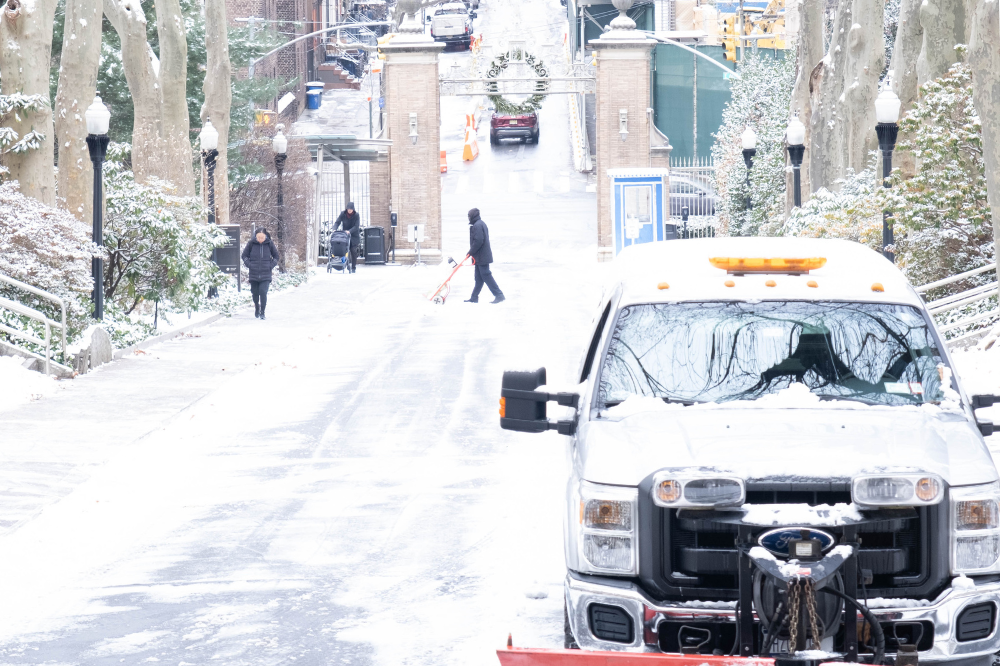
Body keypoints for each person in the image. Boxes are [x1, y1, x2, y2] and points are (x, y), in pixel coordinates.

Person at [464, 208, 505, 304]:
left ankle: (499, 295)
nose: (468, 218)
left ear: (472, 216)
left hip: (482, 256)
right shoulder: (480, 223)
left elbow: (478, 241)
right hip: (480, 256)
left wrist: (470, 252)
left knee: (486, 276)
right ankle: (474, 297)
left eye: (469, 216)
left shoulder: (477, 225)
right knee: (479, 278)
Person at [241, 228, 280, 320]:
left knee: (263, 292)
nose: (260, 239)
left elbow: (276, 256)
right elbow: (244, 256)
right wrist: (249, 265)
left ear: (265, 236)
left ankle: (262, 312)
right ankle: (256, 307)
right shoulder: (251, 244)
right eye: (258, 237)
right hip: (253, 273)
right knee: (255, 293)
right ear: (256, 236)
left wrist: (270, 266)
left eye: (262, 237)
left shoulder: (269, 244)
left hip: (266, 273)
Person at [334, 202, 361, 273]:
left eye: (351, 209)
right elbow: (338, 222)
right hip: (345, 235)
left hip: (354, 235)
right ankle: (345, 264)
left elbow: (356, 226)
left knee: (353, 251)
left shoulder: (356, 215)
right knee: (344, 250)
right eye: (348, 209)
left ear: (353, 209)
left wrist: (349, 231)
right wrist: (334, 228)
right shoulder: (343, 214)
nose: (349, 211)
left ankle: (353, 267)